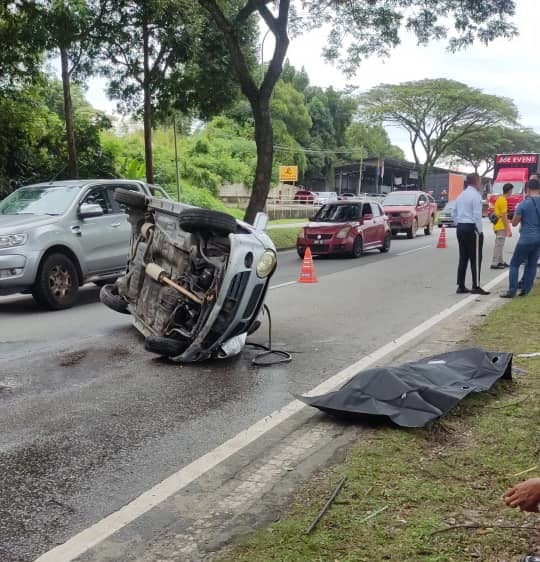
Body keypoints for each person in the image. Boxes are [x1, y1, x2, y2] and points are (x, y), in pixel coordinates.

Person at [501, 179, 540, 298]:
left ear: (527, 189)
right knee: (532, 264)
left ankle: (512, 290)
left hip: (526, 238)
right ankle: (526, 290)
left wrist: (512, 219)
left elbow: (514, 223)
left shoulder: (523, 204)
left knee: (514, 264)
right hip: (538, 238)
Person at [452, 173, 490, 295]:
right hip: (471, 228)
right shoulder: (476, 195)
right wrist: (479, 231)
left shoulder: (461, 195)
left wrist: (459, 223)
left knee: (463, 257)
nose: (480, 183)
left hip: (461, 227)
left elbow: (454, 213)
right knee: (476, 257)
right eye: (480, 181)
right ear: (476, 181)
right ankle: (476, 285)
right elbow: (477, 215)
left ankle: (461, 285)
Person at [490, 183, 513, 270]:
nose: (512, 192)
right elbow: (504, 216)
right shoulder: (503, 200)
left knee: (500, 244)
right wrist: (508, 229)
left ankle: (500, 261)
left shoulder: (500, 198)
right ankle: (495, 263)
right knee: (499, 245)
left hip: (497, 225)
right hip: (500, 225)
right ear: (509, 190)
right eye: (511, 190)